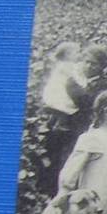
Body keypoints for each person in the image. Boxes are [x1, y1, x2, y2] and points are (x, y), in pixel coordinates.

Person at [40, 41, 85, 195]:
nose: (79, 55)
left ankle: (52, 186)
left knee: (57, 151)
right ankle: (58, 187)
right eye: (76, 52)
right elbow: (77, 89)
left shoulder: (62, 68)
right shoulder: (66, 69)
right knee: (64, 151)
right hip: (63, 112)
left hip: (57, 112)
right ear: (67, 55)